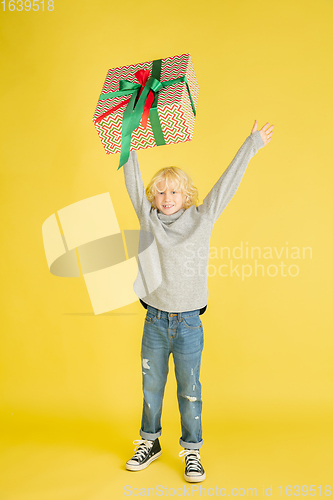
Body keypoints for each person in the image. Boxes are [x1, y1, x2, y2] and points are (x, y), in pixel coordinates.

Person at [122, 120, 274, 482]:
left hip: (189, 322)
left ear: (187, 196)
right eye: (160, 192)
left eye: (174, 192)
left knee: (190, 389)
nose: (167, 198)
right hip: (155, 321)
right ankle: (150, 441)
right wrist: (126, 133)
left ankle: (192, 451)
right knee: (151, 386)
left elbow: (226, 185)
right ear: (152, 198)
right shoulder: (148, 219)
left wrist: (251, 144)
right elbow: (130, 175)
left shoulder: (202, 218)